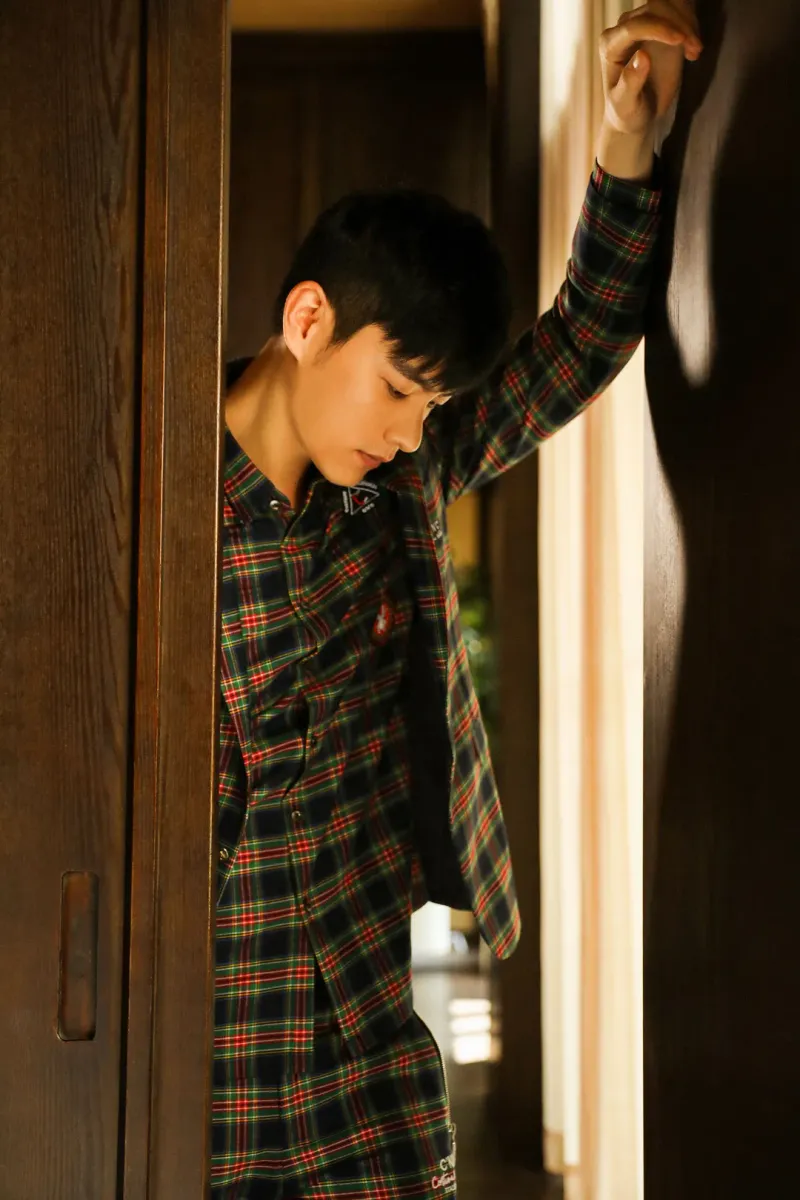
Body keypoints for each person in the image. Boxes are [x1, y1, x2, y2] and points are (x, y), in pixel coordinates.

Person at [212, 3, 703, 1197]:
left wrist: (625, 137)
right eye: (396, 389)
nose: (404, 431)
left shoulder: (402, 479)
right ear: (307, 320)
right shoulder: (149, 498)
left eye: (429, 408)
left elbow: (579, 341)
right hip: (200, 1027)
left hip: (364, 1023)